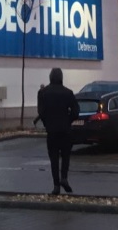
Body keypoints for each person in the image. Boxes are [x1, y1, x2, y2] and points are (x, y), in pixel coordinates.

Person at [36, 67, 79, 195]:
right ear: (61, 77)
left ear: (50, 77)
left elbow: (41, 112)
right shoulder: (68, 93)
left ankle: (56, 185)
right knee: (66, 155)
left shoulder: (43, 93)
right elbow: (76, 111)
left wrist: (47, 123)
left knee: (53, 158)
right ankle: (64, 177)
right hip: (65, 130)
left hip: (52, 131)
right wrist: (68, 121)